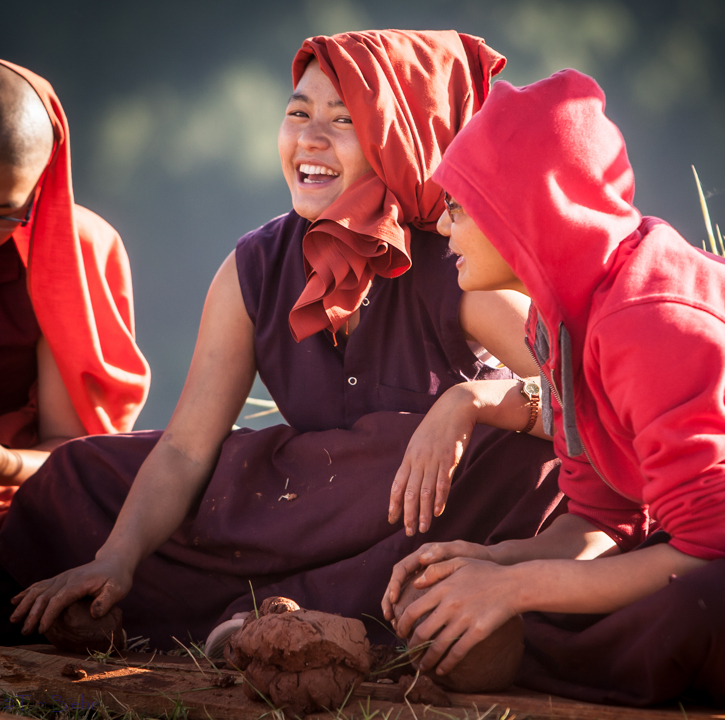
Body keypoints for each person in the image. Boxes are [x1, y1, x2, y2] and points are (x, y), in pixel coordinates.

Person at [2, 31, 563, 650]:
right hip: (296, 501)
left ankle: (289, 621)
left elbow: (583, 404)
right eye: (298, 113)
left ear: (398, 138)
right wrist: (116, 558)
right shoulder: (256, 266)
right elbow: (189, 449)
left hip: (420, 515)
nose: (309, 138)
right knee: (81, 475)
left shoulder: (456, 263)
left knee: (519, 465)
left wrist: (470, 405)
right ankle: (251, 617)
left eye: (344, 119)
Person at [382, 69, 725, 706]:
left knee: (714, 608)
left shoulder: (648, 319)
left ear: (522, 212)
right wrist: (491, 563)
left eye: (456, 209)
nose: (444, 232)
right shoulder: (557, 315)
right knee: (607, 601)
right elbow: (601, 520)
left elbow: (712, 543)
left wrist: (516, 590)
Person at [0, 60, 149, 510]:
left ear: (40, 187)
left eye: (3, 213)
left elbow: (74, 453)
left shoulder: (69, 254)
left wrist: (5, 463)